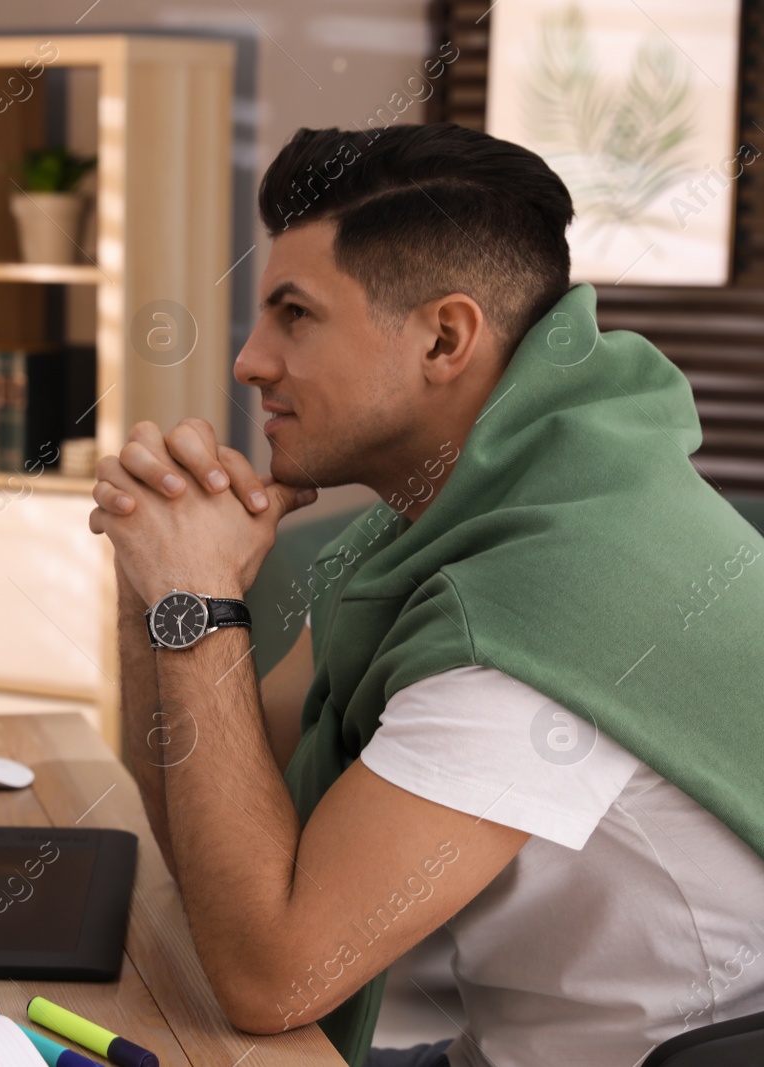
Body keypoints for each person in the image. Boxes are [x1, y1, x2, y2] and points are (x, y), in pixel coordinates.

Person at [88, 123, 764, 1067]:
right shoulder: (458, 523)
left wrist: (197, 595)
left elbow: (269, 976)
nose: (248, 361)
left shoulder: (537, 613)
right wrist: (149, 579)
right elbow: (219, 837)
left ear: (445, 336)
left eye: (295, 316)